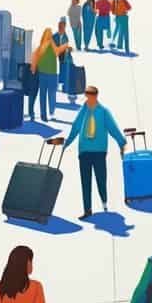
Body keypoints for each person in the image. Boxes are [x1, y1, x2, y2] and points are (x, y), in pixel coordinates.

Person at [63, 85, 128, 220]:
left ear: (96, 96)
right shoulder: (83, 111)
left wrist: (122, 142)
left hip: (99, 151)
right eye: (87, 95)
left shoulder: (103, 112)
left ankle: (104, 201)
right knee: (85, 181)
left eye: (91, 95)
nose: (89, 98)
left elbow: (113, 128)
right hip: (84, 150)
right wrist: (67, 142)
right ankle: (87, 209)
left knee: (101, 179)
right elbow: (75, 127)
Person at [30, 27, 67, 122]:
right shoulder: (48, 46)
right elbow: (57, 52)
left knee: (45, 95)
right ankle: (48, 113)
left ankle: (46, 114)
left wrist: (33, 68)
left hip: (46, 74)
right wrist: (65, 46)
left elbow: (35, 56)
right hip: (50, 74)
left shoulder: (43, 46)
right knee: (50, 94)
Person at [53, 19, 72, 98]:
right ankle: (55, 86)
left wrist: (68, 49)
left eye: (63, 26)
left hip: (63, 55)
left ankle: (64, 86)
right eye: (60, 26)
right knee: (56, 71)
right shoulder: (54, 36)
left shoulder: (65, 36)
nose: (61, 28)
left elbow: (66, 45)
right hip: (56, 55)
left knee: (64, 70)